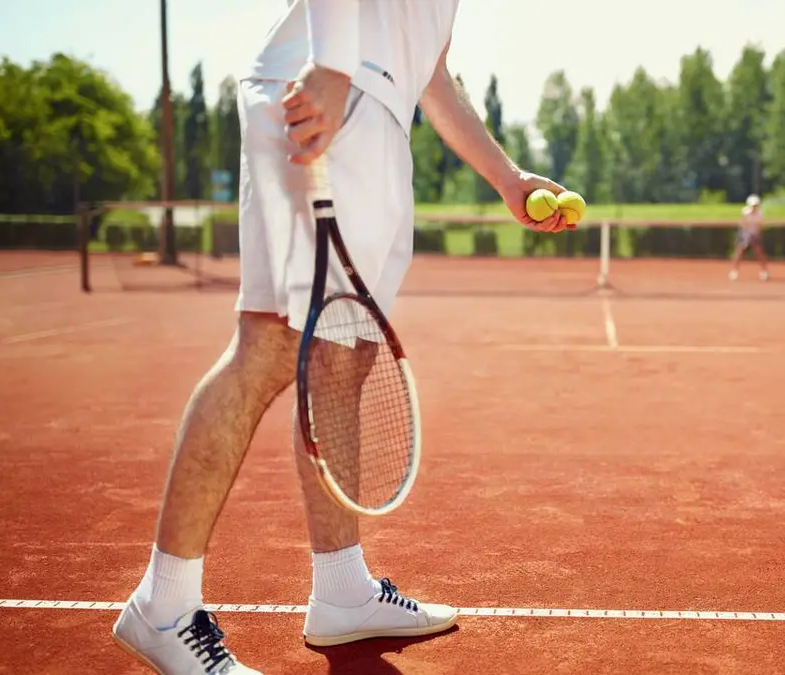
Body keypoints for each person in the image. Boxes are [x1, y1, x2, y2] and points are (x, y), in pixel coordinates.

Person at [111, 1, 572, 673]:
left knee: (340, 358)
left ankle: (342, 590)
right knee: (269, 347)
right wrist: (330, 65)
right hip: (336, 90)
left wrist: (506, 177)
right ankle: (164, 605)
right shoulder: (335, 66)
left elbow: (432, 73)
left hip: (371, 102)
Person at [729, 194, 769, 282]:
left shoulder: (760, 214)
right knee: (739, 252)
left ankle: (764, 271)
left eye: (756, 205)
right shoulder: (745, 212)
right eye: (753, 205)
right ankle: (734, 271)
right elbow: (742, 224)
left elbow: (760, 227)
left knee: (759, 252)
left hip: (755, 234)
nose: (754, 207)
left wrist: (755, 236)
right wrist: (745, 236)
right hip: (745, 234)